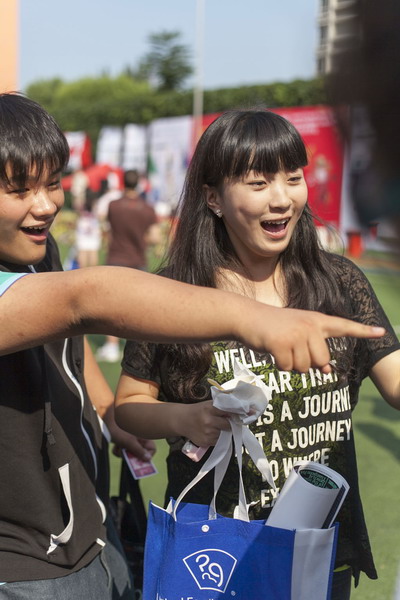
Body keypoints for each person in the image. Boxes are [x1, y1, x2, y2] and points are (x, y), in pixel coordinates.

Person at [0, 93, 384, 599]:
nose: (47, 205)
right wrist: (256, 321)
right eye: (18, 189)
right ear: (212, 197)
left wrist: (105, 410)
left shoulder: (39, 247)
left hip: (89, 531)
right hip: (29, 559)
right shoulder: (180, 285)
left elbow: (66, 338)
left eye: (52, 184)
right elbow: (82, 300)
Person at [113, 108, 400, 600]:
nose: (282, 198)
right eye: (258, 182)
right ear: (214, 198)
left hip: (316, 549)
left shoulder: (340, 282)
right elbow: (128, 407)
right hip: (215, 554)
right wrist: (185, 418)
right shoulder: (173, 295)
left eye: (293, 178)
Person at [96, 169, 160, 362]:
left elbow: (108, 228)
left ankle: (112, 346)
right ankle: (138, 349)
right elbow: (155, 237)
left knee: (112, 306)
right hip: (138, 260)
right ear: (139, 183)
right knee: (138, 307)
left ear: (123, 183)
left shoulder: (114, 205)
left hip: (116, 258)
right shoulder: (147, 208)